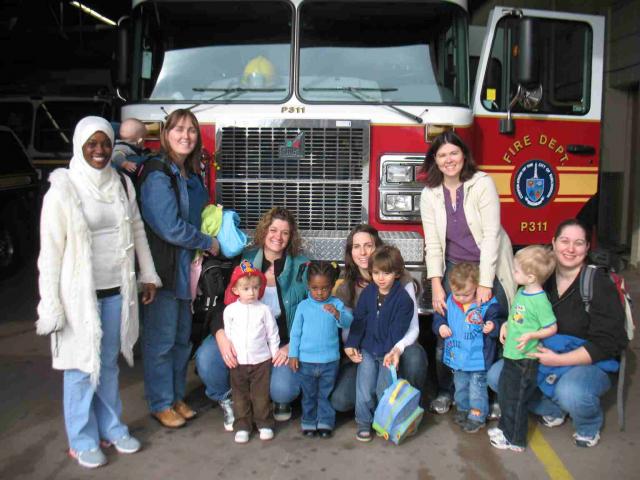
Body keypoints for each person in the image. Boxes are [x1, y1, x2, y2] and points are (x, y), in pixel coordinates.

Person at [36, 116, 161, 469]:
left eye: (105, 143)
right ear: (79, 145)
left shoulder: (122, 183)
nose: (100, 150)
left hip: (116, 290)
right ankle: (82, 438)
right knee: (79, 367)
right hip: (78, 297)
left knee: (107, 364)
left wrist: (147, 274)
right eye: (92, 143)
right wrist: (51, 306)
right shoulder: (63, 189)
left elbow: (137, 229)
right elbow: (50, 254)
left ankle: (112, 427)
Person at [487, 219, 629, 448]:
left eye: (579, 243)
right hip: (543, 356)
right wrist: (507, 324)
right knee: (498, 376)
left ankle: (588, 425)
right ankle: (553, 409)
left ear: (587, 248)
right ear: (553, 243)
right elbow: (522, 314)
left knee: (571, 391)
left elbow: (608, 343)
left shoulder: (598, 284)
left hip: (585, 361)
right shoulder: (539, 279)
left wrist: (560, 359)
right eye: (564, 241)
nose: (570, 249)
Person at [419, 130, 516, 415]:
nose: (449, 160)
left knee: (491, 329)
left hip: (490, 263)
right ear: (434, 161)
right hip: (455, 270)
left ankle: (493, 395)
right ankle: (448, 390)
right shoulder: (430, 194)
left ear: (464, 155)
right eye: (442, 155)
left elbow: (491, 237)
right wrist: (436, 284)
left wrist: (486, 283)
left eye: (454, 153)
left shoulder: (482, 183)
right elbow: (433, 244)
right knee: (448, 332)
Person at [138, 109, 220, 429]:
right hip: (164, 272)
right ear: (165, 134)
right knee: (161, 341)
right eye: (178, 129)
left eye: (191, 130)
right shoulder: (158, 174)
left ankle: (174, 397)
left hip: (188, 272)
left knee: (181, 340)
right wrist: (207, 240)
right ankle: (160, 402)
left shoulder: (189, 174)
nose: (186, 135)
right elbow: (169, 228)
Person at [194, 207, 309, 427]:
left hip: (280, 344)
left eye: (285, 233)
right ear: (264, 231)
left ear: (291, 237)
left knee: (282, 390)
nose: (278, 237)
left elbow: (314, 310)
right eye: (273, 230)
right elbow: (222, 303)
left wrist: (292, 345)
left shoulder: (303, 266)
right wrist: (220, 336)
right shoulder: (244, 261)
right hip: (241, 338)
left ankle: (270, 399)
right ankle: (230, 398)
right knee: (207, 358)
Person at [331, 224, 428, 413]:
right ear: (351, 253)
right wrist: (352, 345)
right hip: (365, 352)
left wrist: (397, 350)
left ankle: (410, 407)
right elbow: (348, 332)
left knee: (415, 357)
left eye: (369, 245)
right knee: (340, 401)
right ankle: (378, 401)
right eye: (357, 247)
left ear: (378, 247)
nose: (363, 252)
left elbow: (413, 329)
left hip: (397, 347)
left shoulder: (403, 280)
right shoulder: (347, 285)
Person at [488, 245, 558, 452]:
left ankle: (515, 439)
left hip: (525, 359)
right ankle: (504, 428)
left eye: (516, 270)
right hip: (512, 353)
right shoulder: (522, 292)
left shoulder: (540, 301)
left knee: (516, 399)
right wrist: (506, 325)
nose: (512, 273)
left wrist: (532, 335)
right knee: (506, 394)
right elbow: (516, 317)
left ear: (530, 277)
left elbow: (551, 327)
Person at [345, 245, 414, 442]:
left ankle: (382, 421)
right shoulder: (368, 294)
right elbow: (359, 320)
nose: (380, 278)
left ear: (397, 273)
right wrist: (352, 343)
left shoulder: (404, 300)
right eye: (376, 273)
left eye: (386, 273)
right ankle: (364, 422)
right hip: (367, 349)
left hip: (387, 352)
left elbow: (397, 331)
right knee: (364, 387)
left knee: (383, 389)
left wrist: (391, 352)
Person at [432, 262, 505, 434]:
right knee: (460, 386)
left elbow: (500, 321)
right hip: (457, 358)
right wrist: (440, 327)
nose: (461, 298)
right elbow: (438, 319)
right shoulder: (449, 301)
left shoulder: (487, 304)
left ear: (477, 287)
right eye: (457, 294)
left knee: (477, 389)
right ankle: (464, 409)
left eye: (466, 294)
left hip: (478, 359)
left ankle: (477, 416)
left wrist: (492, 327)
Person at [289, 261, 353, 438]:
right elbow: (295, 333)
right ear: (308, 285)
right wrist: (293, 354)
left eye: (324, 288)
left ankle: (325, 421)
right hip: (305, 362)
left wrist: (337, 314)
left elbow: (348, 322)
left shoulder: (337, 304)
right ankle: (308, 421)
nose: (319, 292)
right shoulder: (303, 306)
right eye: (314, 288)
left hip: (330, 361)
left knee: (325, 394)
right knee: (309, 395)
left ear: (332, 286)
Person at [223, 260, 280, 443]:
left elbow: (272, 333)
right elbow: (229, 336)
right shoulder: (230, 311)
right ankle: (242, 426)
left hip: (261, 361)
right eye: (246, 288)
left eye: (255, 288)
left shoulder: (264, 310)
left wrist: (274, 353)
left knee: (261, 395)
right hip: (238, 361)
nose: (251, 292)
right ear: (235, 290)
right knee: (239, 396)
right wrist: (230, 354)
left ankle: (264, 424)